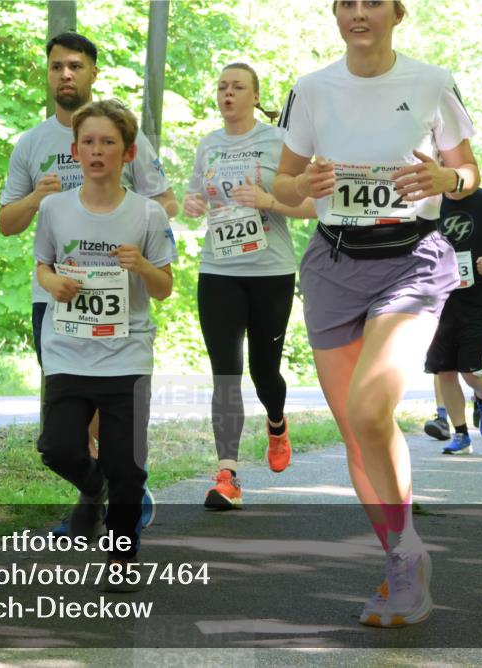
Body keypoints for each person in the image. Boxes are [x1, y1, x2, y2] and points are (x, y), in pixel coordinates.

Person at [273, 0, 479, 627]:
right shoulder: (309, 89)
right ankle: (402, 559)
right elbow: (283, 186)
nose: (359, 12)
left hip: (411, 261)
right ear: (336, 14)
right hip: (333, 265)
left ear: (398, 13)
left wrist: (447, 178)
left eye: (372, 2)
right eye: (347, 3)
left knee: (371, 408)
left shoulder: (432, 81)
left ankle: (407, 561)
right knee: (357, 435)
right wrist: (303, 187)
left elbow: (469, 171)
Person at [0, 32, 175, 528]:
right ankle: (98, 488)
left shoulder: (120, 133)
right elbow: (8, 223)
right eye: (56, 66)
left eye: (75, 65)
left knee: (110, 413)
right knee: (66, 422)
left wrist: (141, 247)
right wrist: (36, 198)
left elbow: (166, 203)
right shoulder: (32, 144)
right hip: (56, 297)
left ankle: (113, 500)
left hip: (122, 302)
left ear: (94, 72)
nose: (65, 74)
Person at [34, 99, 174, 586]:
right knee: (56, 448)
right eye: (89, 142)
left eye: (108, 143)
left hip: (126, 353)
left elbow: (164, 287)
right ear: (75, 151)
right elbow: (42, 265)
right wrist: (50, 284)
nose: (97, 151)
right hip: (69, 349)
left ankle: (120, 558)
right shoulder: (53, 208)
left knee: (127, 466)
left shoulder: (148, 214)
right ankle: (95, 489)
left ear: (128, 153)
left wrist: (142, 266)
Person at [182, 63, 316, 509]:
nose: (228, 93)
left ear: (255, 95)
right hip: (218, 270)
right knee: (225, 373)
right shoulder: (208, 145)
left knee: (264, 371)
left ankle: (277, 424)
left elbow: (314, 205)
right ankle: (227, 473)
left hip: (270, 271)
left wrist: (269, 201)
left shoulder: (278, 143)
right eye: (221, 86)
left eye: (238, 86)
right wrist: (193, 203)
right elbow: (191, 201)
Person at [424, 188, 482, 454]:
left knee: (470, 369)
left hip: (479, 297)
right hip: (439, 298)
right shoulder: (428, 202)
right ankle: (461, 434)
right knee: (443, 369)